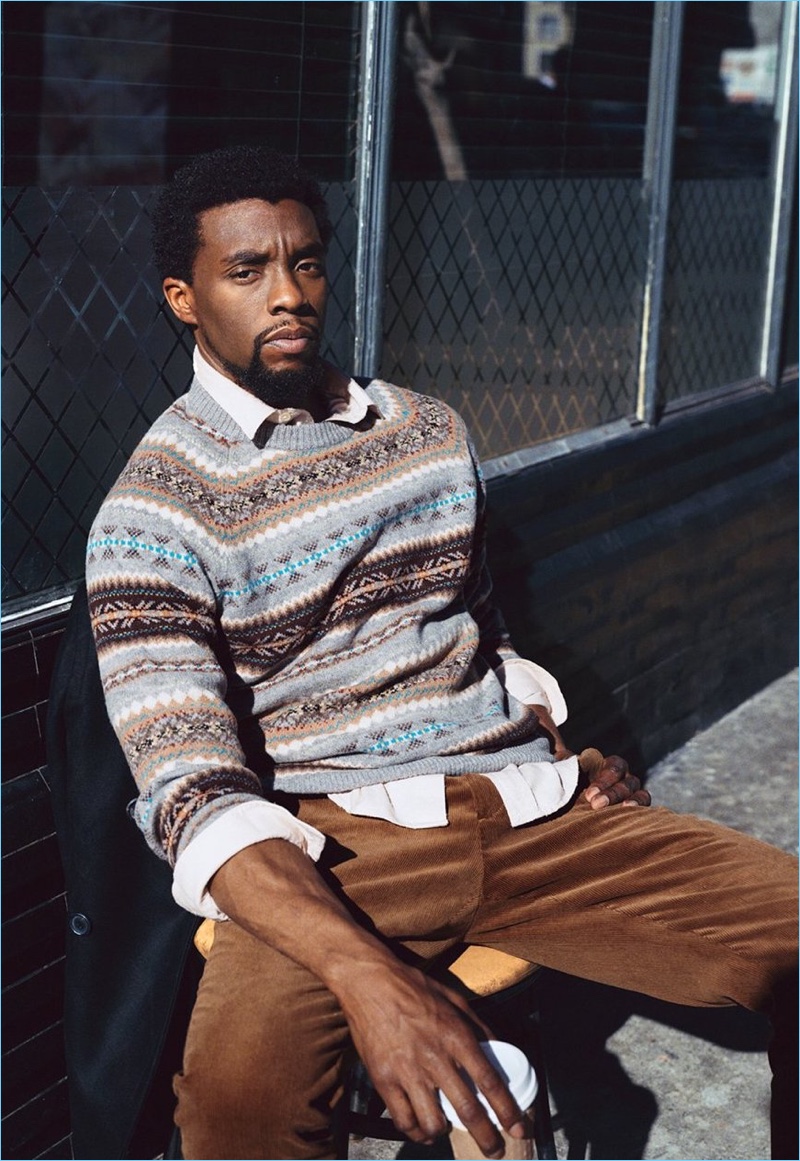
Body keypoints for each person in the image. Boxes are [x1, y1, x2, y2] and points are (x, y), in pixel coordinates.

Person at [85, 144, 797, 1161]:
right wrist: (377, 987)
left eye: (306, 263)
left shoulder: (424, 430)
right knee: (236, 1116)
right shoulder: (152, 513)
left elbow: (476, 633)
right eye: (247, 271)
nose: (287, 295)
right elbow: (189, 790)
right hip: (338, 849)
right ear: (183, 298)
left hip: (531, 811)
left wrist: (562, 744)